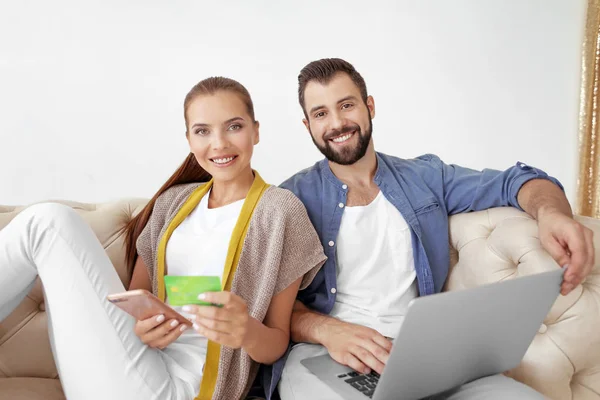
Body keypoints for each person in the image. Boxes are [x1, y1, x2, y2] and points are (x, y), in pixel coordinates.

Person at [268, 58, 595, 400]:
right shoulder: (289, 200)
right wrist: (326, 329)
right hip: (326, 353)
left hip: (425, 355)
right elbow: (263, 306)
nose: (337, 123)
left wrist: (552, 215)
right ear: (307, 125)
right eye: (321, 113)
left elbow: (518, 180)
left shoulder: (425, 177)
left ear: (370, 107)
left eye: (346, 105)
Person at [0, 77, 326, 400]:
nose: (219, 144)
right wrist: (142, 330)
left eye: (234, 127)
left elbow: (276, 343)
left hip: (178, 390)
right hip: (122, 367)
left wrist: (247, 331)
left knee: (51, 222)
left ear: (255, 131)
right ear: (188, 139)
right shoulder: (173, 203)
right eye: (203, 131)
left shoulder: (281, 211)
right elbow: (134, 304)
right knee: (46, 222)